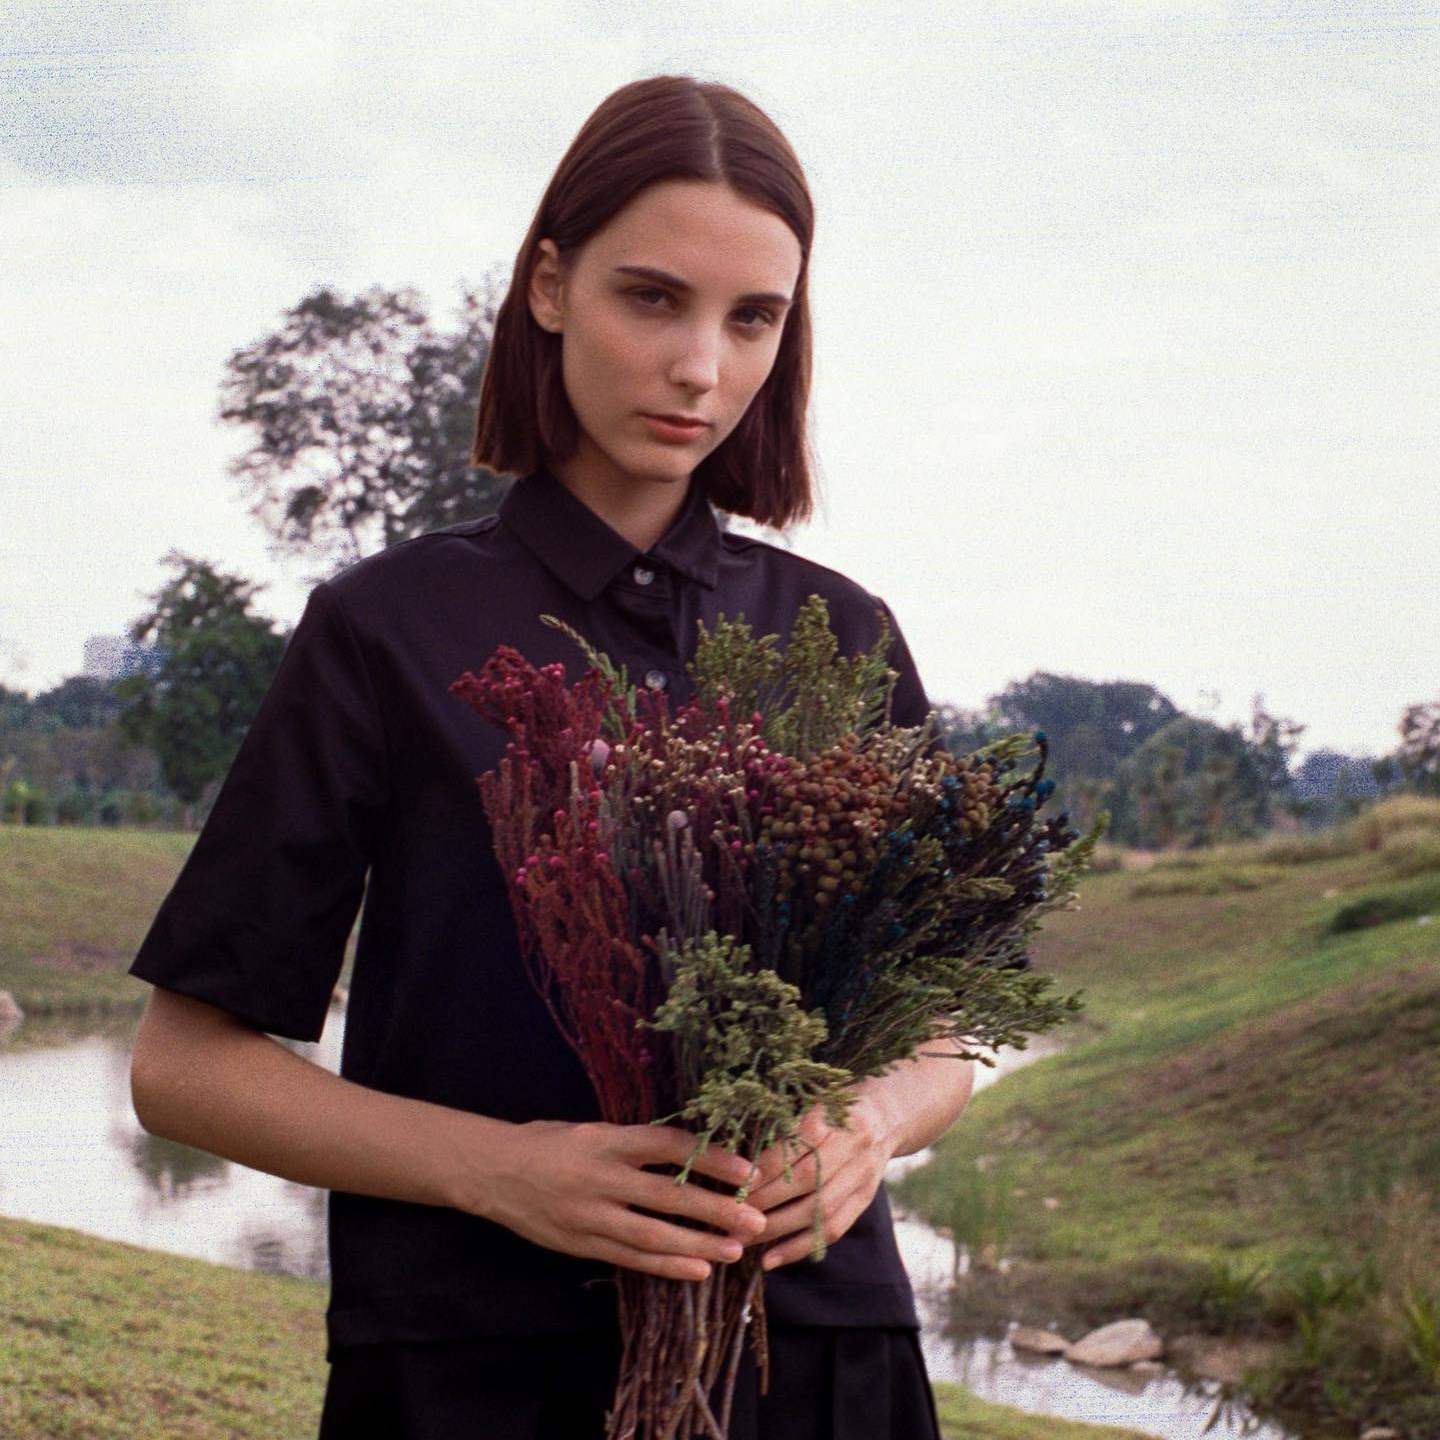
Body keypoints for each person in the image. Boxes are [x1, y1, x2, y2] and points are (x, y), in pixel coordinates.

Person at [128, 74, 979, 1439]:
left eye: (753, 317)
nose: (703, 365)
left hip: (821, 1360)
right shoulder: (384, 631)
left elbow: (938, 1033)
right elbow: (182, 1064)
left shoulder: (845, 635)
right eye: (653, 298)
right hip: (480, 1364)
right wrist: (500, 1171)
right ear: (547, 286)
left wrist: (870, 1126)